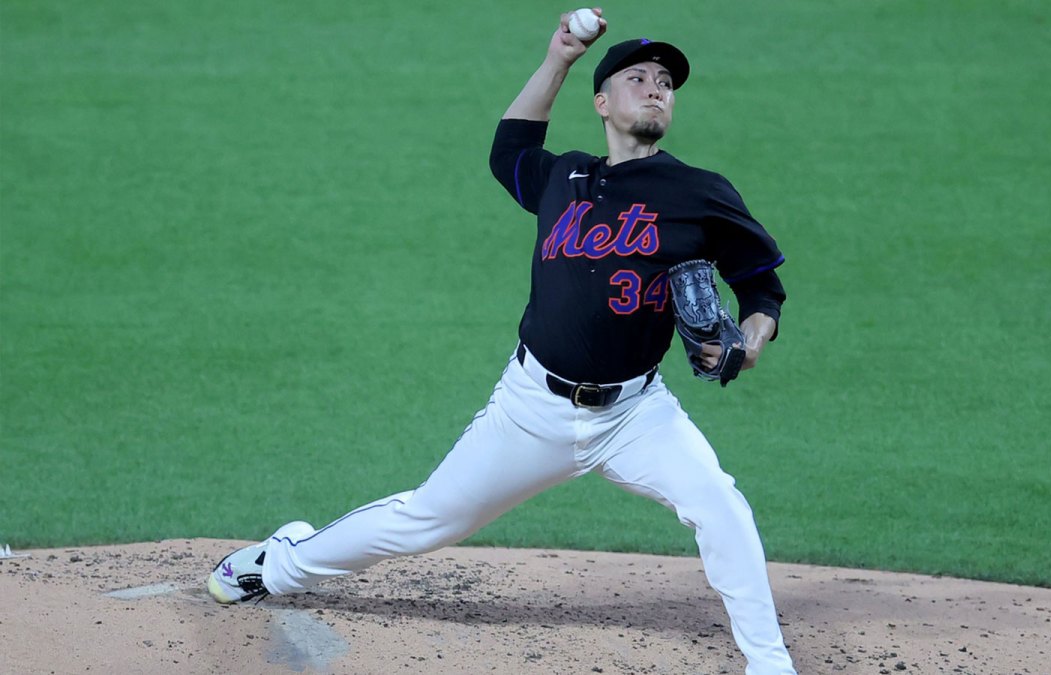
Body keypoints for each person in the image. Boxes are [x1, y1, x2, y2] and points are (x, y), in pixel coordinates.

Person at [207, 9, 794, 674]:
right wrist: (560, 56)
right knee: (426, 519)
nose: (657, 87)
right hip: (531, 408)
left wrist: (747, 342)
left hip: (637, 414)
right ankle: (279, 561)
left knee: (720, 503)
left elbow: (762, 288)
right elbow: (508, 149)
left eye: (666, 81)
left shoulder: (701, 193)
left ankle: (769, 661)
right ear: (603, 102)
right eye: (638, 78)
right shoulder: (565, 176)